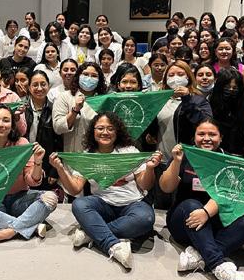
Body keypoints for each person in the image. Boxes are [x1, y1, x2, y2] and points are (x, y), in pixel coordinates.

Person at [49, 112, 161, 268]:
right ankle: (112, 244)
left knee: (146, 219)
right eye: (100, 128)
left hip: (133, 204)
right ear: (93, 131)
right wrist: (60, 169)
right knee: (79, 205)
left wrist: (149, 168)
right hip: (103, 205)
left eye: (110, 128)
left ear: (117, 131)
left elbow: (145, 185)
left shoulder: (129, 151)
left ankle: (92, 233)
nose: (105, 132)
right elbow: (75, 189)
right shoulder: (88, 156)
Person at [159, 119, 244, 280]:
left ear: (221, 137)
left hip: (215, 220)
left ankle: (198, 256)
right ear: (194, 136)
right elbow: (166, 188)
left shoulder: (229, 161)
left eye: (212, 134)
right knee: (191, 204)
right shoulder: (185, 155)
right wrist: (176, 161)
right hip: (183, 220)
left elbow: (228, 195)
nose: (206, 138)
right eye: (201, 134)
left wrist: (206, 213)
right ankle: (217, 264)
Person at [0, 104, 57, 244]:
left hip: (19, 199)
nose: (0, 124)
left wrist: (38, 161)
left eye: (6, 120)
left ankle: (9, 232)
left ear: (12, 125)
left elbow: (32, 181)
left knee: (51, 198)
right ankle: (30, 226)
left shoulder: (22, 143)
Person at [148, 60, 212, 162]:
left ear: (188, 77)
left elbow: (204, 123)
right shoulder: (160, 99)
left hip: (186, 159)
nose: (175, 78)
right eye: (171, 75)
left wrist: (187, 99)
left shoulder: (198, 100)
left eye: (180, 74)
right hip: (161, 158)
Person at [53, 61, 107, 152]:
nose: (89, 78)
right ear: (78, 76)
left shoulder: (104, 100)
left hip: (99, 154)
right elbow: (58, 128)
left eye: (94, 76)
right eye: (85, 74)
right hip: (74, 152)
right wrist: (75, 111)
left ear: (99, 80)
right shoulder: (65, 97)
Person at [25, 70, 63, 195]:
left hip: (46, 164)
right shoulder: (22, 109)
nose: (39, 88)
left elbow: (60, 143)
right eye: (35, 85)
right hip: (24, 162)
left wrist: (54, 170)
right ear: (29, 87)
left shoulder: (55, 109)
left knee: (44, 198)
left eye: (43, 84)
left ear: (48, 86)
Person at [208, 68, 244, 149]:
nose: (231, 90)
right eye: (227, 87)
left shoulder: (243, 104)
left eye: (235, 88)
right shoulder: (210, 102)